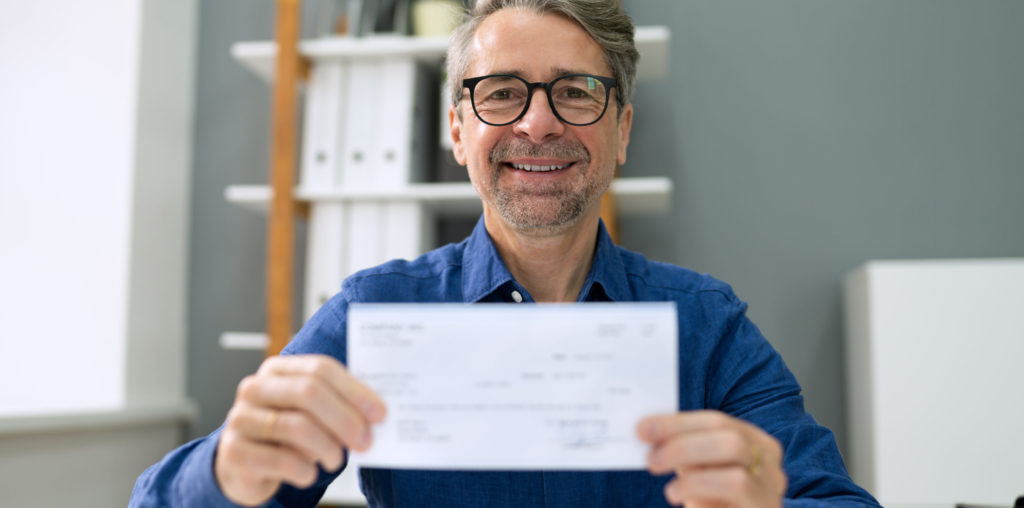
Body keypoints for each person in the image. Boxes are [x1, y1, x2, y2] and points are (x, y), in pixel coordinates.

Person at [131, 0, 881, 506]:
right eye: (500, 94)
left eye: (578, 92)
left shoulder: (706, 328)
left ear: (621, 130)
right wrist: (229, 467)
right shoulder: (378, 312)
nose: (538, 124)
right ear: (458, 130)